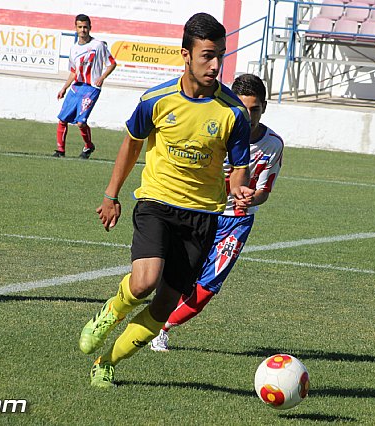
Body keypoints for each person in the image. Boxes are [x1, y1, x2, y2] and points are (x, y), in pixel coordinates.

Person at [78, 12, 255, 388]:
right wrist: (111, 195)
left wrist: (240, 187)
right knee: (144, 282)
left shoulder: (234, 112)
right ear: (185, 55)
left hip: (203, 216)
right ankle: (112, 310)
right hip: (156, 201)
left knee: (163, 305)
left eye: (220, 55)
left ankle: (107, 362)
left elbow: (239, 168)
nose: (215, 65)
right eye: (207, 55)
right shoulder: (155, 100)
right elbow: (130, 146)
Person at [149, 73, 284, 352]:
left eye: (255, 109)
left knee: (209, 286)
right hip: (201, 213)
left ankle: (161, 328)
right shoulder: (216, 132)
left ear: (264, 107)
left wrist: (250, 197)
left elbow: (264, 191)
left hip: (236, 222)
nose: (249, 117)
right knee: (178, 278)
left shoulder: (272, 145)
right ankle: (149, 316)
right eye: (243, 109)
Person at [53, 14, 117, 159]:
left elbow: (112, 63)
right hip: (76, 87)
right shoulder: (74, 49)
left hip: (91, 88)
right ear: (75, 28)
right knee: (63, 119)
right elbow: (73, 72)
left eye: (85, 27)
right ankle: (60, 151)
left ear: (90, 28)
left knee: (81, 122)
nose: (83, 30)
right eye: (80, 27)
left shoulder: (98, 45)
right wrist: (64, 88)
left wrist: (102, 77)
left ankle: (88, 146)